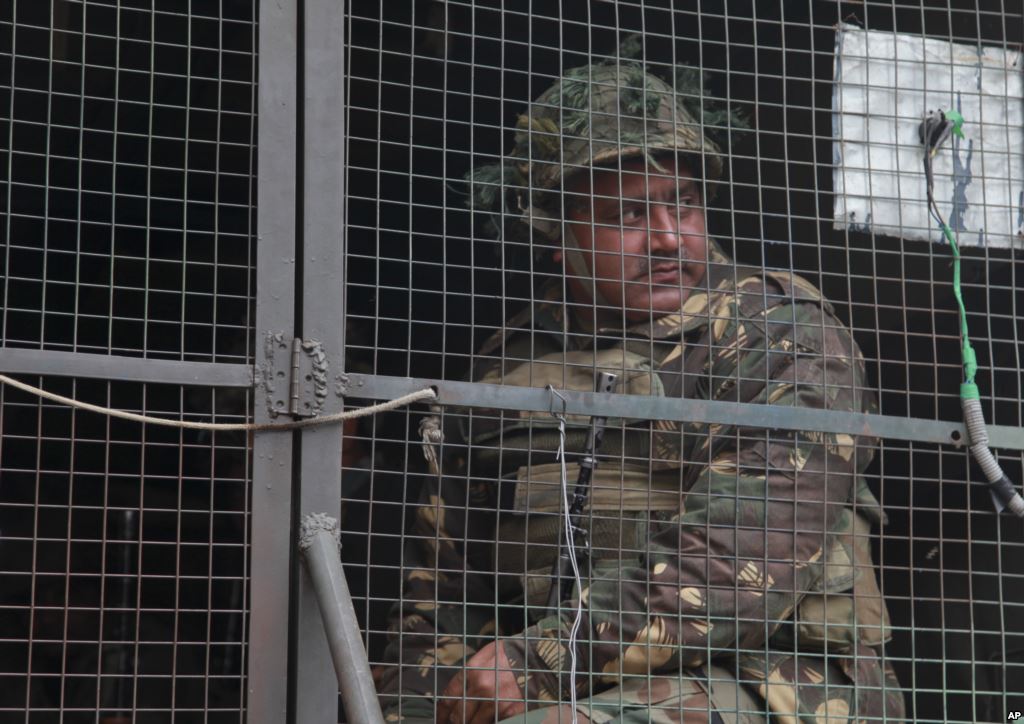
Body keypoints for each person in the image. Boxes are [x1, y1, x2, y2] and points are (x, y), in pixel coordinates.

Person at [376, 60, 906, 723]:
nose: (668, 237)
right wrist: (413, 704)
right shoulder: (503, 372)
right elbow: (444, 586)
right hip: (578, 685)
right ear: (556, 233)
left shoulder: (778, 332)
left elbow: (738, 560)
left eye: (683, 202)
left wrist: (539, 660)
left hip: (781, 686)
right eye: (629, 212)